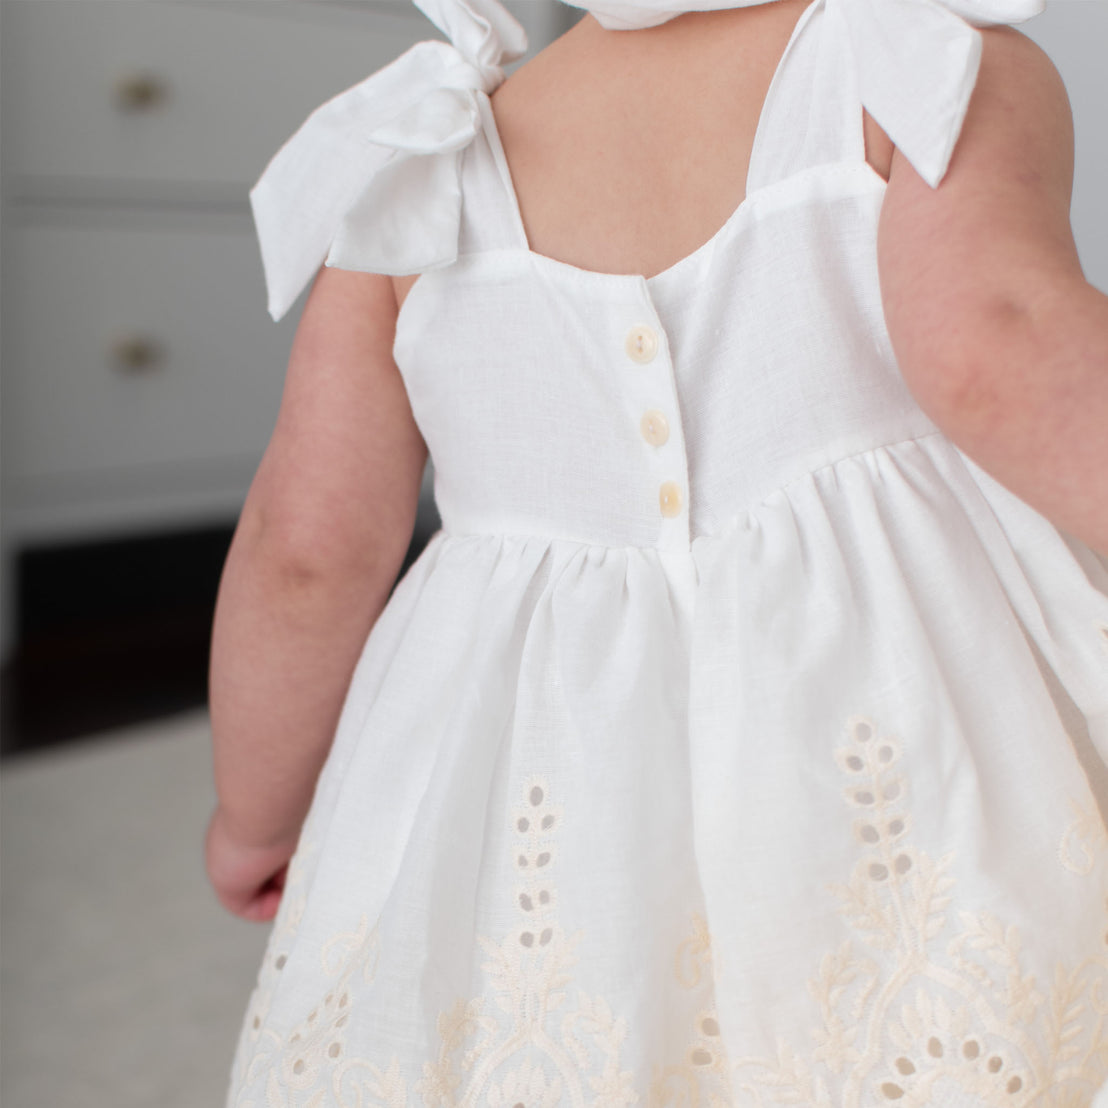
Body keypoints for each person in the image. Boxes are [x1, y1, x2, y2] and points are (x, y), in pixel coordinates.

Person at [206, 0, 1108, 1102]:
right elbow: (1000, 351)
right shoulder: (920, 63)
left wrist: (255, 811)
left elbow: (307, 550)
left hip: (541, 766)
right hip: (895, 712)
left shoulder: (412, 161)